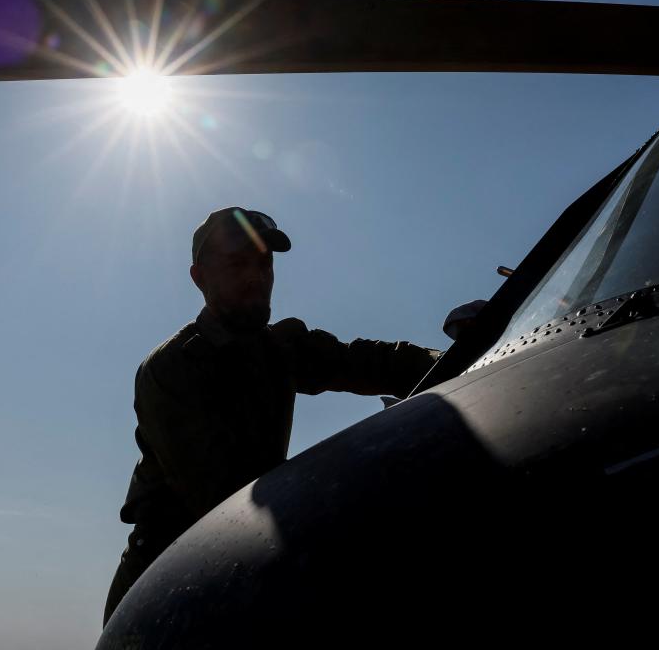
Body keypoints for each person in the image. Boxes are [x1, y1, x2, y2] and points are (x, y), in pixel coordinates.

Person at [103, 207, 442, 624]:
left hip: (244, 566)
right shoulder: (171, 369)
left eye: (265, 263)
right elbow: (223, 496)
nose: (256, 277)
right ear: (199, 277)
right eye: (237, 263)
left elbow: (370, 361)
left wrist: (458, 356)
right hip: (163, 588)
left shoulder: (279, 347)